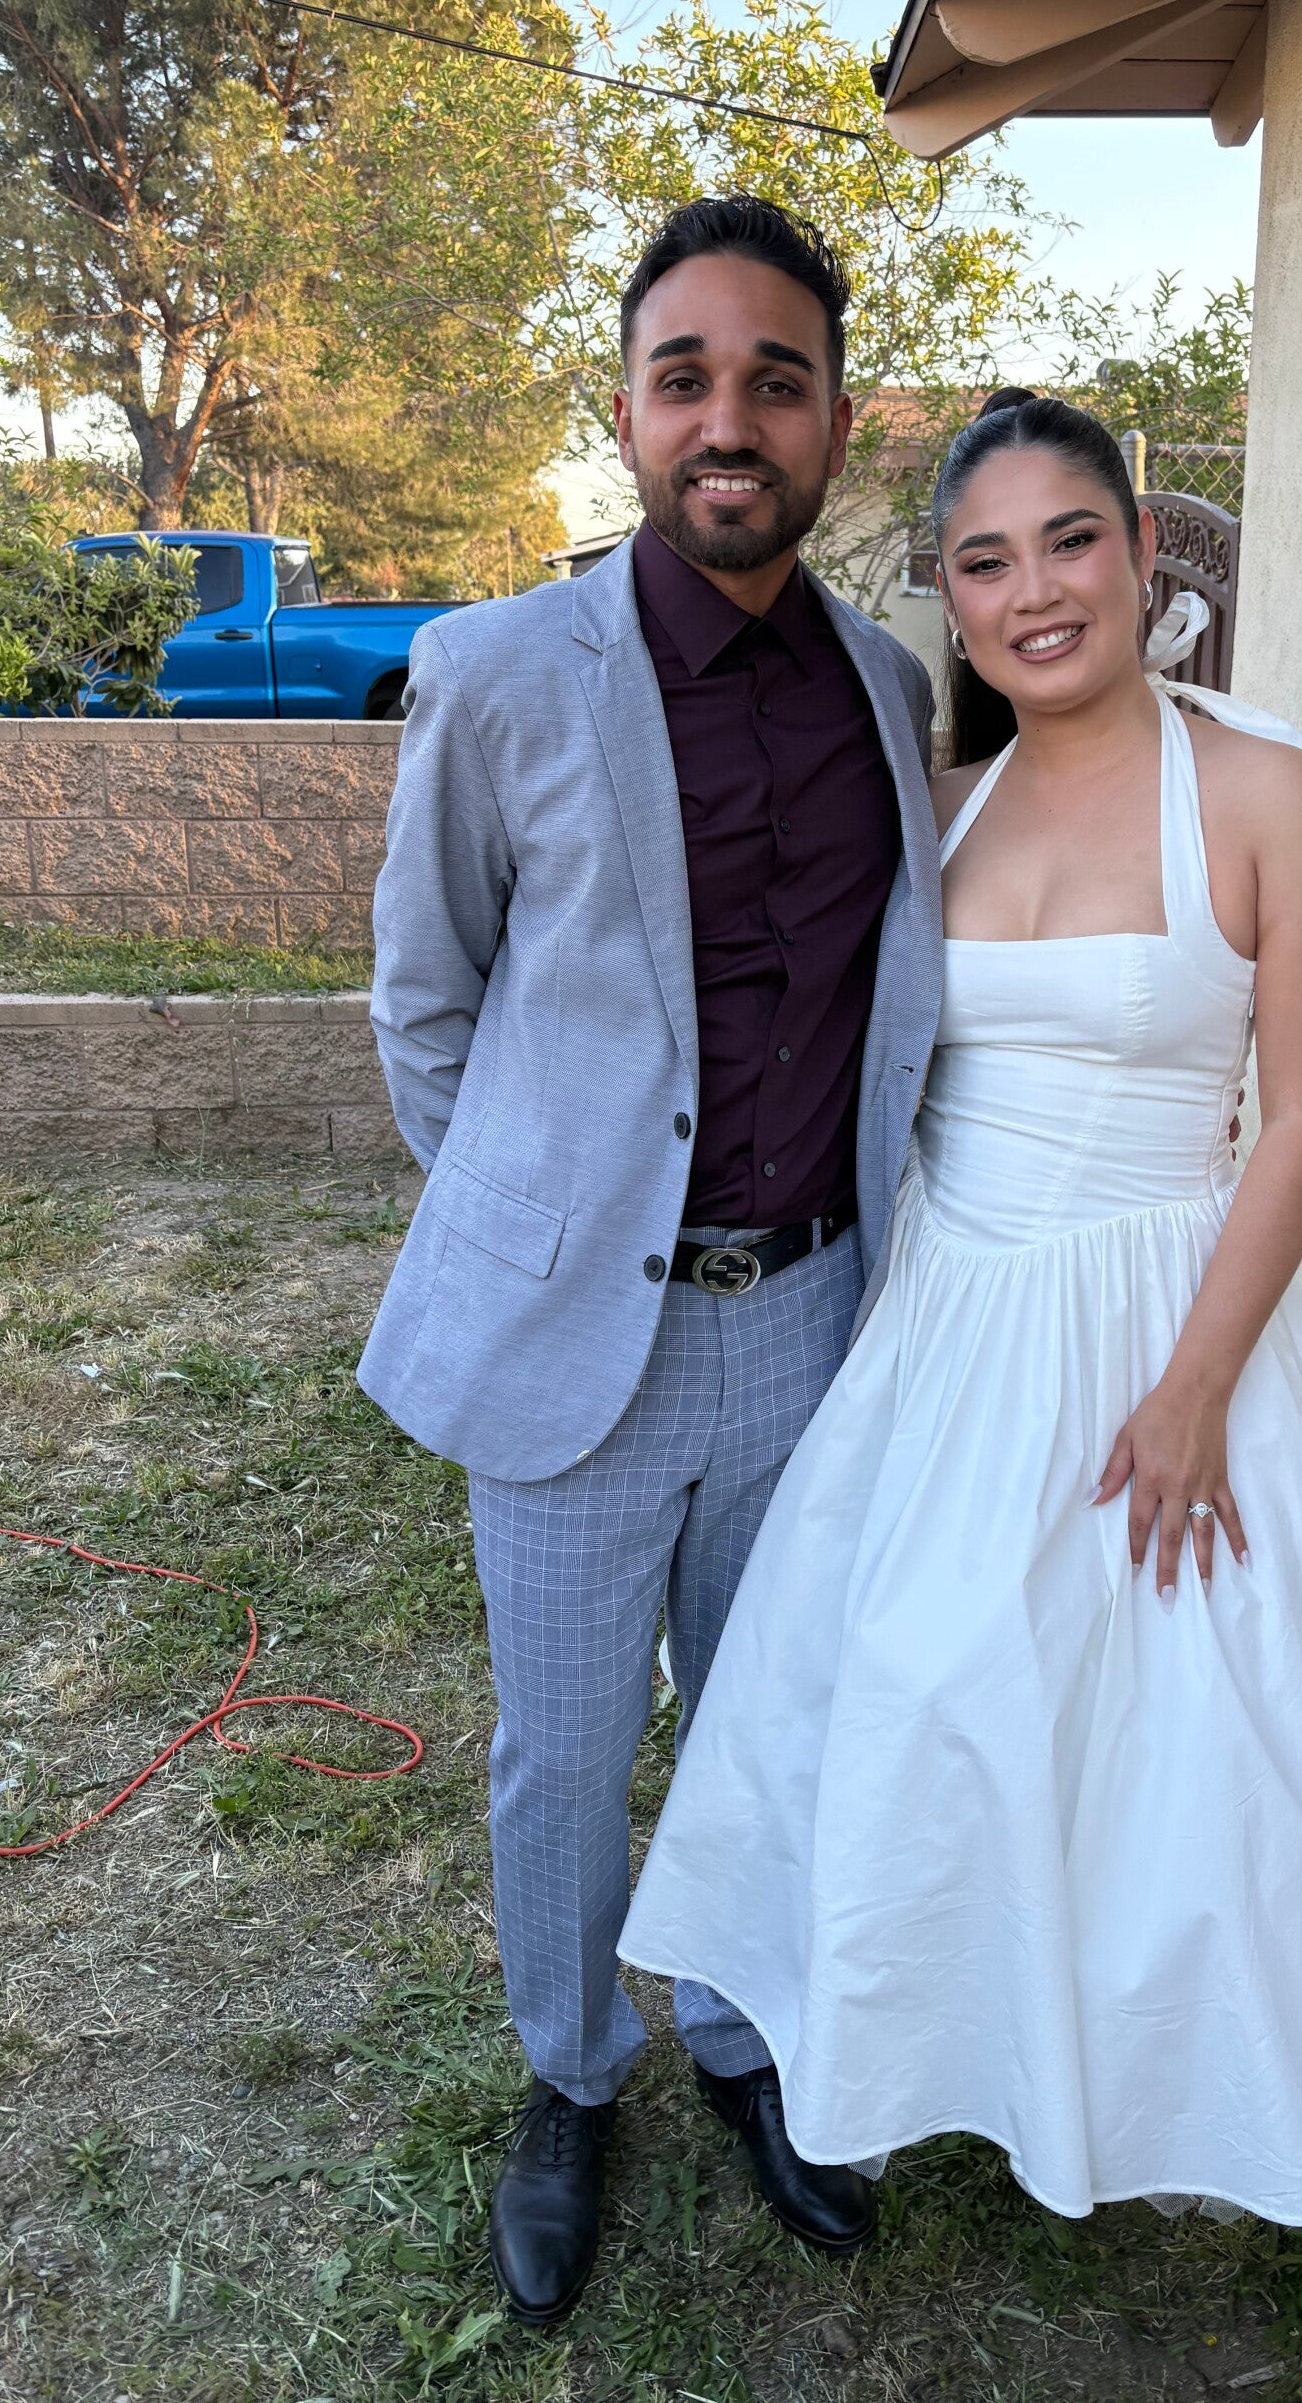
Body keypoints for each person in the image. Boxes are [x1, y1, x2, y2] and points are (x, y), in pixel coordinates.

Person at [621, 389, 1302, 2225]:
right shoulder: (942, 810)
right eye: (986, 563)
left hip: (1168, 1309)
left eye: (1069, 542)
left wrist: (1196, 1387)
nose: (1034, 591)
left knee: (1191, 1746)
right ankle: (948, 2035)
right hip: (954, 1315)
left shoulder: (1268, 796)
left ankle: (1187, 2081)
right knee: (939, 1692)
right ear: (952, 604)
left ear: (1142, 558)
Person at [358, 197, 944, 2323]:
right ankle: (570, 2069)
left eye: (776, 381)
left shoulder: (893, 689)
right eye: (684, 376)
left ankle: (740, 2036)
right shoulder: (499, 670)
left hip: (815, 1319)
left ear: (836, 423)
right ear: (625, 413)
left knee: (772, 1716)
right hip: (578, 1336)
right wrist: (545, 1230)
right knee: (564, 1743)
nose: (729, 419)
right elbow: (426, 1002)